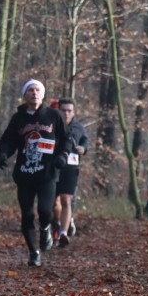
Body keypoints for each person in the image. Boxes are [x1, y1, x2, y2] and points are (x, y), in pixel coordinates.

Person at [0, 79, 72, 267]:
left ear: (43, 94)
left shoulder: (54, 115)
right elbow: (8, 140)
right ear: (24, 95)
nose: (34, 93)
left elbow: (66, 139)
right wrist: (3, 154)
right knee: (27, 214)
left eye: (38, 90)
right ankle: (33, 252)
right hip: (25, 173)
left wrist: (62, 156)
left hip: (47, 173)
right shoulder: (18, 118)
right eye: (30, 90)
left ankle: (46, 228)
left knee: (45, 211)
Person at [52, 97, 88, 246]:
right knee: (54, 203)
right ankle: (55, 225)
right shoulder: (51, 126)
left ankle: (63, 234)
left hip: (71, 167)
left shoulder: (78, 127)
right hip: (53, 167)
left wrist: (83, 149)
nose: (66, 114)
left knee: (67, 200)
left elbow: (85, 141)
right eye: (63, 110)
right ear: (58, 110)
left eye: (69, 111)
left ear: (74, 112)